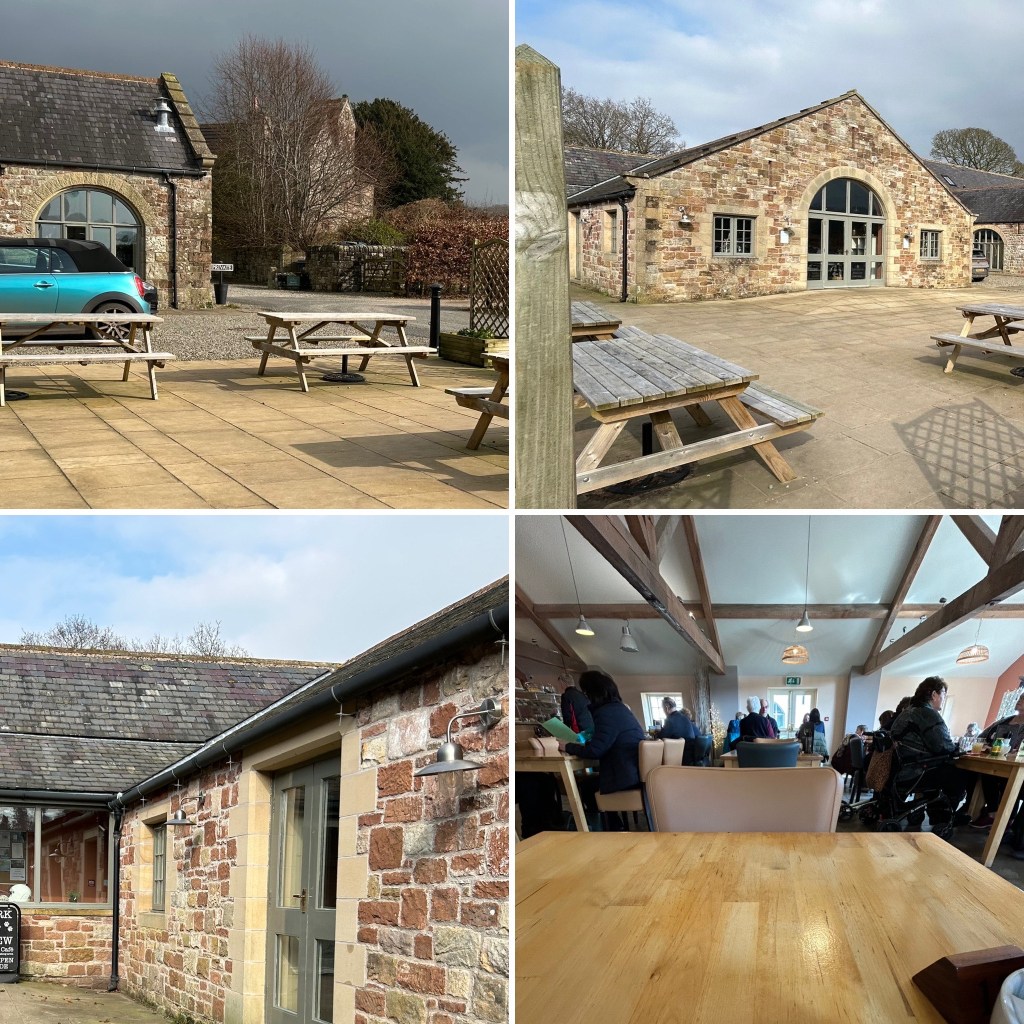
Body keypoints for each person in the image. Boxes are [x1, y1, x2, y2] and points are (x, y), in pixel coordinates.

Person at [560, 670, 645, 831]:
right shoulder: (621, 709)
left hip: (625, 776)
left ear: (590, 693)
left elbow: (596, 751)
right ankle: (613, 825)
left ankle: (608, 828)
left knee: (586, 786)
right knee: (590, 783)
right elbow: (604, 742)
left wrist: (567, 746)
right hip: (635, 774)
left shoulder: (605, 713)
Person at [891, 676, 968, 834]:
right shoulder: (927, 714)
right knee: (959, 777)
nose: (943, 699)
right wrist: (957, 749)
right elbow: (943, 746)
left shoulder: (907, 712)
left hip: (901, 769)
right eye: (943, 695)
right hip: (916, 771)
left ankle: (935, 814)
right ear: (934, 694)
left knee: (943, 775)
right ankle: (944, 817)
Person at [969, 693, 1024, 833]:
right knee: (985, 774)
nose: (1019, 700)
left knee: (1010, 782)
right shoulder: (1004, 721)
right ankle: (991, 813)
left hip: (1016, 766)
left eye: (1023, 699)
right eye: (1019, 698)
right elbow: (981, 737)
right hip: (994, 759)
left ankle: (1007, 820)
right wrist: (986, 746)